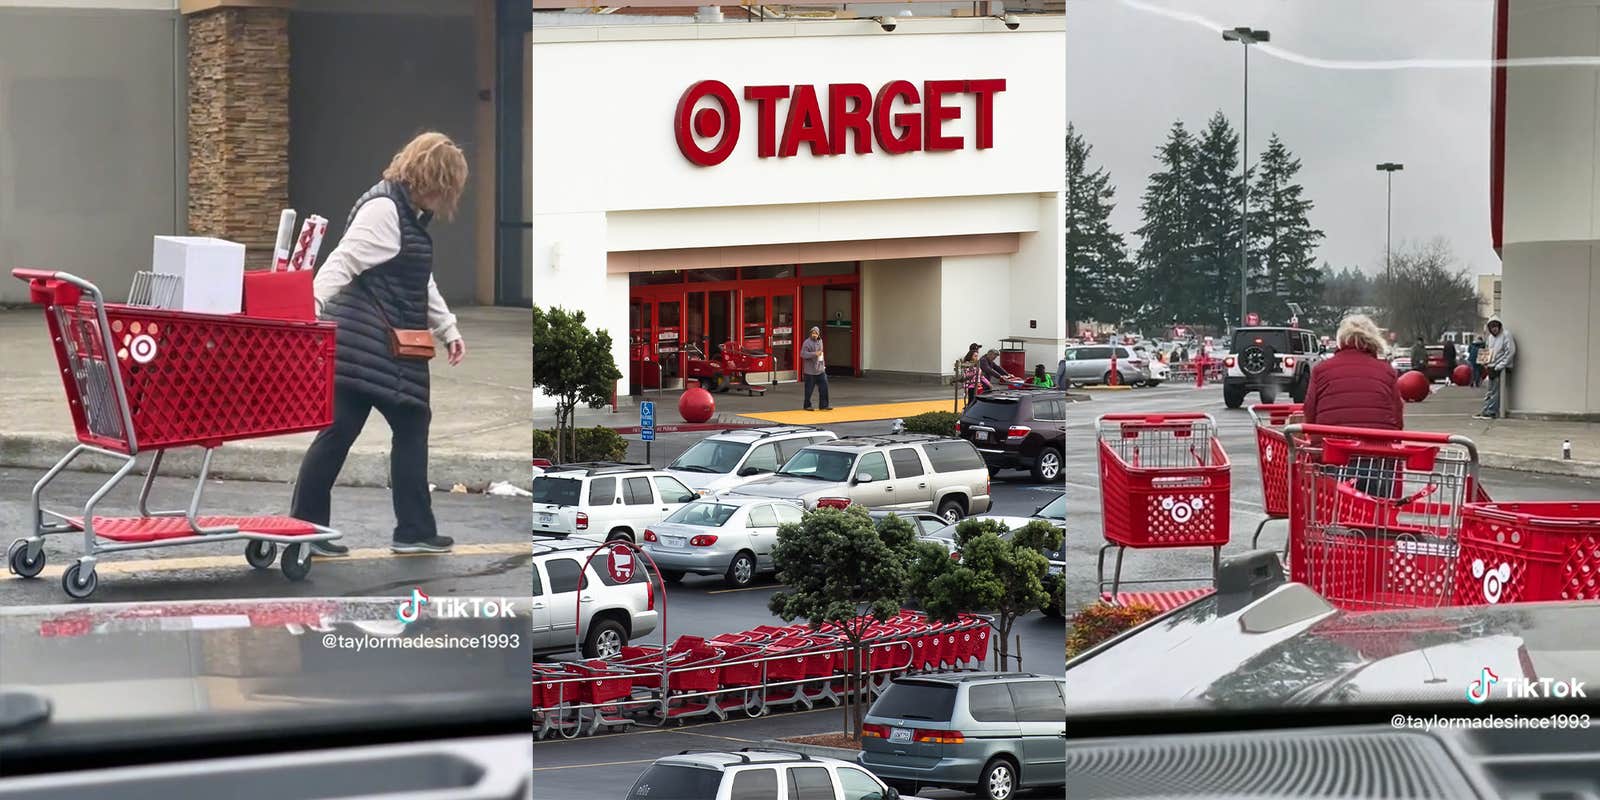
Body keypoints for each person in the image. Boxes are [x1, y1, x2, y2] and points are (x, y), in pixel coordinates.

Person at [293, 131, 468, 556]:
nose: (446, 198)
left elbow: (417, 279)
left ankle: (307, 529)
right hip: (372, 347)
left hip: (364, 347)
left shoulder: (400, 211)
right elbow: (344, 259)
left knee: (339, 432)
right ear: (433, 180)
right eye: (447, 187)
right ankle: (413, 531)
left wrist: (448, 328)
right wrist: (308, 307)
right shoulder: (385, 210)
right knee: (409, 424)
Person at [1304, 315, 1403, 497]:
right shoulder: (1387, 371)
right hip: (1376, 456)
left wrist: (1316, 449)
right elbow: (1397, 416)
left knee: (1332, 510)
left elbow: (1310, 412)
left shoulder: (1321, 370)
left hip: (1334, 454)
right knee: (1376, 512)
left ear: (1341, 339)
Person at [1476, 316, 1517, 419]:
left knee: (1496, 391)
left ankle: (1491, 411)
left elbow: (1510, 351)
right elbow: (1488, 350)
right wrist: (1485, 362)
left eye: (1496, 326)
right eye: (1492, 327)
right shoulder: (1490, 338)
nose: (1494, 329)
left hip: (1500, 368)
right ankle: (1486, 409)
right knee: (1490, 390)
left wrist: (1501, 365)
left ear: (1499, 326)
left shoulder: (1506, 335)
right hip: (1492, 366)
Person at [800, 326, 831, 411]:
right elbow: (802, 354)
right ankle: (807, 405)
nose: (814, 335)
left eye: (816, 333)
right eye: (813, 333)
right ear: (810, 334)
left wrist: (823, 366)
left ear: (818, 334)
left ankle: (824, 405)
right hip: (810, 371)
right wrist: (814, 354)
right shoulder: (806, 343)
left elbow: (821, 354)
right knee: (809, 390)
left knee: (824, 387)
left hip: (820, 370)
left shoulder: (820, 341)